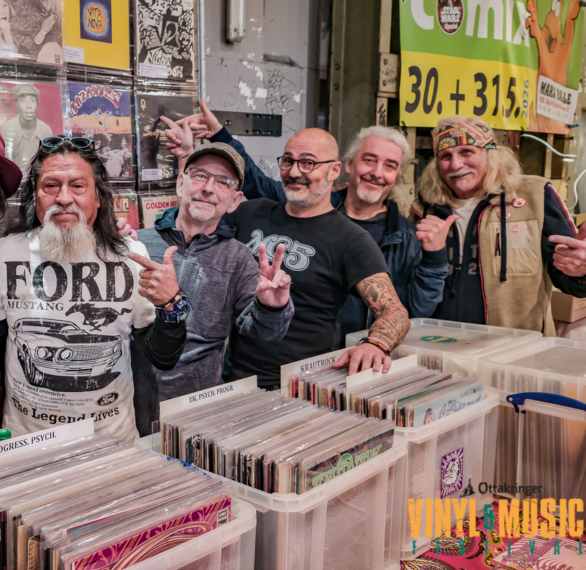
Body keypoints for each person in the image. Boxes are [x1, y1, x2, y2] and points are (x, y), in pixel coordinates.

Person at [165, 102, 451, 338]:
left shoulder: (393, 235)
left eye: (389, 166)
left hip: (338, 356)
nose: (377, 172)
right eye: (369, 160)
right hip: (247, 360)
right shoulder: (292, 201)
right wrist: (210, 141)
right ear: (348, 166)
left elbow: (412, 310)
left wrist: (435, 257)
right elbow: (229, 194)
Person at [165, 121, 408, 388]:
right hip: (235, 381)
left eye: (308, 163)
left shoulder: (352, 239)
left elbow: (394, 311)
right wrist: (185, 156)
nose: (294, 172)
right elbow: (193, 219)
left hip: (303, 387)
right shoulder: (250, 212)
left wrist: (376, 344)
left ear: (334, 170)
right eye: (288, 161)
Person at [0, 137, 187, 441]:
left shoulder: (130, 255)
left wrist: (170, 305)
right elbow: (1, 346)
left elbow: (162, 358)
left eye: (78, 186)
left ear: (98, 198)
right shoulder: (4, 253)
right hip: (27, 442)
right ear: (34, 198)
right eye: (50, 186)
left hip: (112, 441)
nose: (64, 197)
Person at [132, 142, 294, 436]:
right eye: (199, 176)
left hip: (195, 413)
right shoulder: (137, 243)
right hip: (127, 405)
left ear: (235, 201)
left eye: (223, 182)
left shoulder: (238, 258)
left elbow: (264, 333)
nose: (208, 188)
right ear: (181, 183)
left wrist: (272, 307)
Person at [413, 117, 586, 332]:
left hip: (514, 346)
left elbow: (575, 281)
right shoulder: (423, 209)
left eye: (467, 152)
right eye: (445, 156)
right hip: (439, 341)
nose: (455, 164)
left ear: (490, 155)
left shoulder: (535, 197)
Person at [0, 84, 53, 169]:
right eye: (23, 101)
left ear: (37, 104)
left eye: (33, 100)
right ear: (17, 104)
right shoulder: (7, 128)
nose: (29, 106)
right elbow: (6, 165)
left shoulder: (46, 130)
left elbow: (49, 164)